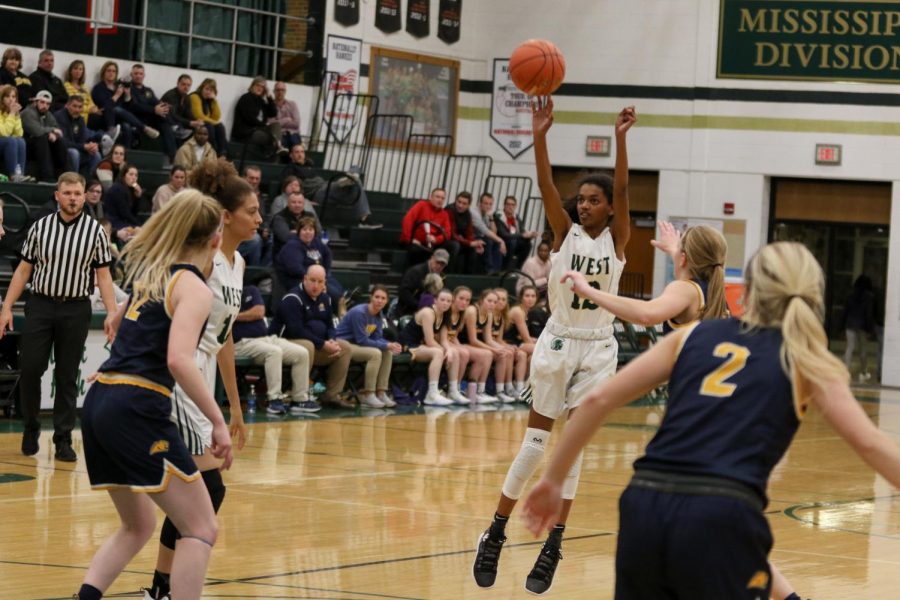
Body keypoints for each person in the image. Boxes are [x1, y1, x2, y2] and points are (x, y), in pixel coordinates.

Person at [520, 241, 900, 599]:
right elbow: (869, 442)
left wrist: (554, 478)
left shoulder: (693, 336)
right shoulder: (806, 358)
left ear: (747, 291)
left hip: (645, 501)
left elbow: (597, 400)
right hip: (722, 512)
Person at [472, 101, 636, 594]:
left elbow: (626, 188)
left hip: (598, 349)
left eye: (592, 199)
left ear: (608, 207)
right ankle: (496, 531)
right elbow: (546, 186)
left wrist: (620, 137)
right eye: (580, 199)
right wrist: (539, 136)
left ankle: (554, 543)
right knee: (536, 444)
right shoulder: (563, 233)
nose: (583, 204)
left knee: (575, 447)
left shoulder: (618, 241)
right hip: (560, 340)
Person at [74, 190, 232, 600]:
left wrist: (117, 315)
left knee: (138, 525)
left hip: (100, 400)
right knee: (201, 526)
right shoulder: (194, 289)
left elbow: (121, 323)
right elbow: (179, 360)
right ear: (215, 239)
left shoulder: (153, 275)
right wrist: (218, 420)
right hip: (135, 404)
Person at [141, 161, 261, 600]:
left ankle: (162, 585)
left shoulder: (238, 262)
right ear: (225, 216)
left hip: (204, 374)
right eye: (252, 210)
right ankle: (166, 585)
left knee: (200, 488)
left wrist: (233, 406)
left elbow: (224, 338)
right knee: (205, 488)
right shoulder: (201, 262)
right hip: (179, 374)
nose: (260, 218)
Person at [0, 172, 118, 461]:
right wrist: (6, 307)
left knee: (67, 375)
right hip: (40, 305)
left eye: (78, 193)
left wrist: (113, 312)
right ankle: (31, 426)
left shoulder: (95, 232)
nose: (74, 198)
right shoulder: (40, 227)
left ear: (84, 195)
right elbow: (23, 271)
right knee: (30, 369)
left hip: (75, 308)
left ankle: (63, 438)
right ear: (57, 195)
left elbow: (103, 276)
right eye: (68, 193)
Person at [269, 264, 355, 409]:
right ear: (305, 279)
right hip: (285, 343)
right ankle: (297, 395)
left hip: (316, 345)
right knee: (307, 346)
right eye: (313, 280)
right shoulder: (293, 298)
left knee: (345, 348)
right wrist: (322, 344)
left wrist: (332, 339)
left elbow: (330, 326)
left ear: (325, 283)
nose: (316, 285)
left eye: (320, 282)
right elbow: (296, 331)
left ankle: (331, 396)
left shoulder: (325, 299)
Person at [231, 284, 316, 415]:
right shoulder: (224, 294)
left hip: (265, 338)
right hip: (241, 343)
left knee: (302, 353)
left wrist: (234, 316)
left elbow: (259, 311)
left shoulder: (250, 290)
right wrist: (248, 315)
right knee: (274, 352)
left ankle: (299, 400)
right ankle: (274, 400)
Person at [335, 285, 402, 408]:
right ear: (371, 298)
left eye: (383, 298)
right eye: (377, 297)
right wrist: (387, 344)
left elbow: (377, 338)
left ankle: (381, 392)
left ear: (386, 301)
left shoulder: (379, 314)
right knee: (375, 353)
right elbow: (362, 340)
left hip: (357, 344)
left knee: (387, 352)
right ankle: (368, 394)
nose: (379, 300)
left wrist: (391, 345)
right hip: (344, 345)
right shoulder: (359, 312)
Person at [397, 289, 458, 406]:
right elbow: (430, 341)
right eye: (442, 300)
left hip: (421, 345)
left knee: (454, 352)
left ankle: (453, 390)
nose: (445, 303)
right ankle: (432, 393)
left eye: (449, 301)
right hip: (408, 345)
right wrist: (444, 351)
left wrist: (449, 350)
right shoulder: (428, 312)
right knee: (438, 353)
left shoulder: (445, 314)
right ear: (435, 300)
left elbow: (444, 340)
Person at [459, 288, 516, 404]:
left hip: (477, 345)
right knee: (488, 354)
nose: (492, 304)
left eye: (494, 302)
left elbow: (488, 339)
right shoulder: (472, 311)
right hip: (462, 343)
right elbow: (473, 340)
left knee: (504, 354)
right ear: (481, 300)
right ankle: (474, 391)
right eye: (489, 301)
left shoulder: (489, 314)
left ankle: (499, 391)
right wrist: (494, 349)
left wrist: (502, 348)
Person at [90, 60, 159, 149]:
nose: (111, 73)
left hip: (119, 118)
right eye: (109, 70)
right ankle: (143, 128)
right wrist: (116, 95)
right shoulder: (99, 88)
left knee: (126, 126)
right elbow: (105, 106)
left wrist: (127, 95)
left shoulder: (119, 86)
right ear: (104, 72)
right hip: (106, 117)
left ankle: (126, 154)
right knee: (116, 109)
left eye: (114, 71)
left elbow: (128, 106)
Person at [447, 286, 495, 404]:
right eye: (461, 298)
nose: (464, 302)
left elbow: (454, 336)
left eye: (467, 300)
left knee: (485, 354)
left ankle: (474, 391)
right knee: (464, 353)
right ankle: (454, 390)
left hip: (451, 342)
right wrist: (459, 347)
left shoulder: (461, 313)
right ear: (453, 298)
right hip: (439, 344)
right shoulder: (448, 312)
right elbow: (441, 338)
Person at [126, 64, 176, 163]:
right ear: (131, 75)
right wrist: (154, 110)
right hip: (137, 119)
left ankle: (172, 157)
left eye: (141, 73)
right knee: (160, 114)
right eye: (136, 73)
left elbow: (155, 103)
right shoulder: (128, 88)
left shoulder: (148, 90)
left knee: (165, 118)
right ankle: (174, 125)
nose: (138, 76)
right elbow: (134, 106)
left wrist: (162, 106)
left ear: (144, 75)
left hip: (152, 119)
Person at [400, 187, 459, 268]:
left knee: (454, 245)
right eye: (437, 197)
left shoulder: (444, 214)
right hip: (416, 241)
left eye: (442, 198)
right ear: (431, 197)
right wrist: (410, 239)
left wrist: (436, 239)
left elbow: (447, 233)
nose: (440, 200)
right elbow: (408, 220)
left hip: (432, 243)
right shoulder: (421, 205)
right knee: (416, 250)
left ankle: (444, 275)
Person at [21, 90, 68, 182]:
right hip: (26, 146)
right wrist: (51, 131)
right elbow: (36, 131)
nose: (45, 106)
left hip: (40, 145)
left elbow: (57, 129)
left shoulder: (47, 114)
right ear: (35, 102)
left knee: (59, 141)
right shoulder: (27, 112)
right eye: (42, 102)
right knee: (42, 138)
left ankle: (62, 177)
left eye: (48, 104)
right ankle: (47, 177)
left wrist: (54, 134)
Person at [54, 95, 105, 178]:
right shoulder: (59, 117)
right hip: (60, 152)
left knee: (96, 154)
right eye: (74, 106)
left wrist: (91, 146)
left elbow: (82, 140)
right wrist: (84, 146)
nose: (77, 110)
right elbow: (63, 142)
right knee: (74, 153)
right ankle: (72, 181)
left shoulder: (80, 119)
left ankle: (88, 183)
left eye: (80, 107)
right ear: (67, 105)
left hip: (76, 149)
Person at [231, 76, 283, 156]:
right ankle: (277, 145)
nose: (260, 88)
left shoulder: (261, 101)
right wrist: (263, 126)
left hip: (258, 129)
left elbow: (273, 113)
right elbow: (249, 118)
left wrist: (269, 96)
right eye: (258, 85)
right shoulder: (246, 98)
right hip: (246, 133)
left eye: (262, 87)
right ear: (252, 86)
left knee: (276, 126)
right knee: (266, 137)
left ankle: (279, 145)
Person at [843, 274, 876, 382]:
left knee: (849, 347)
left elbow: (845, 311)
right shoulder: (869, 297)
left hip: (850, 324)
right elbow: (869, 314)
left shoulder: (850, 295)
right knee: (863, 349)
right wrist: (870, 330)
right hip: (862, 325)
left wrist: (841, 325)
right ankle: (863, 372)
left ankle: (846, 371)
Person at [397, 249, 449, 316]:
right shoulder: (415, 272)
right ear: (432, 258)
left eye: (442, 264)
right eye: (437, 262)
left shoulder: (443, 277)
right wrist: (419, 305)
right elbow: (403, 291)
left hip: (432, 313)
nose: (439, 266)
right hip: (408, 312)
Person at [494, 195, 538, 270]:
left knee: (527, 244)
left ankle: (518, 267)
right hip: (502, 241)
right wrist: (523, 235)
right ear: (504, 205)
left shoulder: (516, 217)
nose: (510, 207)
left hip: (514, 241)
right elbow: (503, 234)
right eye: (508, 204)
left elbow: (522, 231)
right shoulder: (499, 216)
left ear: (515, 206)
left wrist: (530, 235)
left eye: (513, 205)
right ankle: (506, 269)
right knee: (512, 242)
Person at [63, 59, 106, 135]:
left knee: (102, 115)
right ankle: (103, 136)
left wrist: (94, 108)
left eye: (80, 69)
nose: (78, 71)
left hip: (88, 115)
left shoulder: (84, 87)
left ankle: (103, 135)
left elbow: (90, 101)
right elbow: (72, 105)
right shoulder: (66, 86)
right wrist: (89, 110)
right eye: (75, 68)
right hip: (77, 114)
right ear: (71, 71)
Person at [447, 191, 486, 273]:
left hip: (460, 239)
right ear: (456, 201)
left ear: (469, 205)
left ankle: (468, 278)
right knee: (456, 245)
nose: (460, 205)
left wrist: (474, 243)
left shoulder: (468, 213)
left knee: (474, 248)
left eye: (464, 204)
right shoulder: (449, 210)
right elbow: (451, 234)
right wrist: (469, 243)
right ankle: (449, 274)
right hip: (448, 240)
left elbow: (469, 233)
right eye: (459, 202)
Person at [0, 84, 32, 181]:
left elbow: (19, 134)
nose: (11, 99)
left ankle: (20, 174)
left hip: (5, 142)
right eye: (7, 96)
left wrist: (16, 116)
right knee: (11, 141)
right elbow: (4, 133)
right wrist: (12, 114)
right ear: (2, 98)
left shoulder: (12, 112)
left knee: (20, 141)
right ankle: (13, 175)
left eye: (13, 97)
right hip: (3, 141)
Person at [189, 78, 228, 155]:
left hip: (205, 124)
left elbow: (216, 117)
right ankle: (213, 153)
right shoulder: (195, 96)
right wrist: (216, 123)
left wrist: (214, 100)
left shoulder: (209, 101)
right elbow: (199, 116)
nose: (208, 92)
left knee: (219, 128)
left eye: (211, 90)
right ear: (201, 88)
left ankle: (222, 154)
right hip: (193, 123)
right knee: (212, 126)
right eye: (206, 89)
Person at [471, 192, 506, 275]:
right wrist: (501, 241)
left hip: (482, 237)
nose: (488, 206)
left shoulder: (487, 214)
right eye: (486, 203)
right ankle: (489, 270)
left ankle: (496, 271)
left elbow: (494, 232)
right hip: (472, 237)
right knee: (490, 241)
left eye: (490, 204)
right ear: (480, 204)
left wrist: (491, 218)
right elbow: (485, 231)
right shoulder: (474, 213)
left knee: (495, 242)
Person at [104, 164, 144, 235]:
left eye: (136, 175)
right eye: (131, 174)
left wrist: (138, 198)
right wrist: (139, 225)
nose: (134, 178)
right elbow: (124, 213)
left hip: (123, 221)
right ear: (124, 176)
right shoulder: (118, 189)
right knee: (139, 230)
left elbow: (134, 213)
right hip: (113, 222)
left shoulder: (130, 190)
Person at [270, 81, 302, 149]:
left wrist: (279, 122)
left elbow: (296, 123)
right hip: (279, 136)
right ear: (274, 91)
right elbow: (272, 125)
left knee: (297, 150)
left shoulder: (292, 104)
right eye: (278, 90)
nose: (280, 92)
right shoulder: (270, 106)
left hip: (293, 135)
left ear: (285, 91)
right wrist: (287, 119)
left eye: (282, 90)